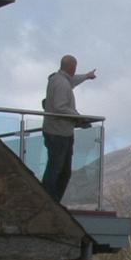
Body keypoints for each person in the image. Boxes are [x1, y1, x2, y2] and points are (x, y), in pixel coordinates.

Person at [42, 54, 96, 202]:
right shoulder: (61, 84)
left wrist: (86, 76)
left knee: (61, 170)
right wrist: (78, 116)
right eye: (75, 66)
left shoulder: (60, 79)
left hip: (60, 131)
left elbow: (72, 81)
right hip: (58, 132)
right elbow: (60, 107)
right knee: (57, 169)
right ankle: (49, 201)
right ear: (72, 67)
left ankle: (52, 200)